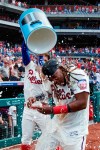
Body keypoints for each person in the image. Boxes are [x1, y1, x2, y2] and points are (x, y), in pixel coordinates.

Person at [34, 58, 90, 150]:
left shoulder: (77, 75)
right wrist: (35, 98)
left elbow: (82, 103)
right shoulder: (51, 80)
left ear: (61, 68)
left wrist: (52, 110)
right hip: (58, 123)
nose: (54, 80)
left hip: (75, 126)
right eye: (51, 79)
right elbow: (47, 93)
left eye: (55, 76)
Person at [21, 41, 50, 150]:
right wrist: (26, 38)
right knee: (25, 140)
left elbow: (47, 93)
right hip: (28, 109)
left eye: (46, 60)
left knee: (49, 137)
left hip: (42, 109)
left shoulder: (49, 73)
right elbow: (24, 50)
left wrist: (41, 58)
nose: (43, 62)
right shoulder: (30, 66)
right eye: (42, 59)